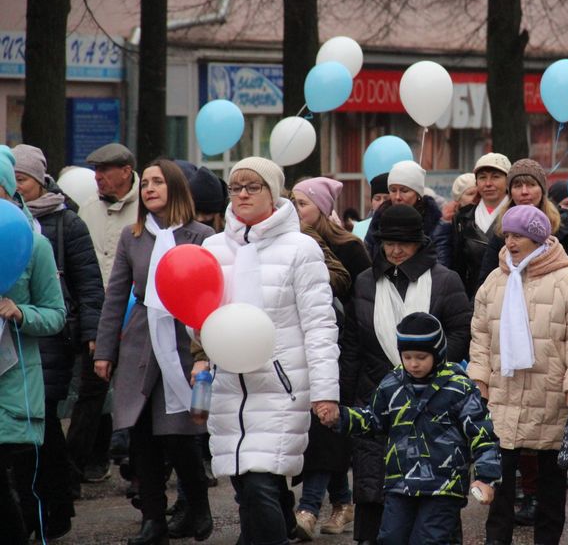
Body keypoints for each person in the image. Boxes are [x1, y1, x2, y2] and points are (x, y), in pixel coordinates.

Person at [197, 157, 340, 545]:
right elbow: (202, 318)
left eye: (253, 186)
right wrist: (200, 358)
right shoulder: (212, 248)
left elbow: (319, 324)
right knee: (247, 487)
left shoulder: (301, 249)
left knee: (259, 485)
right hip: (229, 387)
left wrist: (326, 392)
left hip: (280, 387)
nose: (242, 194)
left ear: (273, 193)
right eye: (235, 187)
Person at [92, 159, 214, 545]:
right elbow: (116, 296)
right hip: (141, 343)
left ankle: (198, 505)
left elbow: (212, 294)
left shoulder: (202, 235)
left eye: (158, 182)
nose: (149, 189)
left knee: (179, 436)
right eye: (145, 183)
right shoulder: (133, 236)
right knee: (142, 436)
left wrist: (206, 352)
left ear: (175, 187)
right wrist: (105, 350)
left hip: (184, 342)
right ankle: (153, 520)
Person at [339, 204, 472, 544]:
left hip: (433, 403)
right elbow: (352, 344)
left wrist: (428, 369)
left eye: (404, 243)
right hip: (375, 396)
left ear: (419, 242)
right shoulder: (365, 282)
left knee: (433, 495)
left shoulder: (445, 280)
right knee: (374, 488)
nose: (395, 250)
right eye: (389, 243)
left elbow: (461, 332)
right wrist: (344, 397)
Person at [469, 205, 568, 545]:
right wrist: (478, 383)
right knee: (498, 483)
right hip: (503, 395)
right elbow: (480, 335)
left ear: (538, 238)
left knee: (551, 488)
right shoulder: (495, 281)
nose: (510, 242)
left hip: (550, 395)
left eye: (519, 236)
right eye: (507, 235)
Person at [326, 312, 501, 544]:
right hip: (400, 483)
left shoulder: (459, 387)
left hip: (443, 486)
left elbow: (482, 433)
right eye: (407, 357)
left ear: (438, 353)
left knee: (429, 539)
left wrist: (486, 477)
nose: (413, 364)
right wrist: (342, 417)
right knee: (391, 538)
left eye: (421, 357)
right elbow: (374, 419)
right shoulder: (392, 384)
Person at [11, 144, 105, 539]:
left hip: (50, 340)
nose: (18, 186)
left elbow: (88, 284)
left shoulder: (66, 224)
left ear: (39, 180)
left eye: (22, 179)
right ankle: (34, 506)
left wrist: (93, 335)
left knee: (44, 424)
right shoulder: (9, 223)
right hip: (11, 341)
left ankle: (56, 504)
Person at [291, 176, 371, 539]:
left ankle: (308, 508)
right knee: (322, 427)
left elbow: (362, 298)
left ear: (322, 209)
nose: (295, 210)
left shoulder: (349, 247)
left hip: (342, 346)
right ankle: (342, 501)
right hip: (303, 344)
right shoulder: (293, 241)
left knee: (326, 426)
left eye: (302, 203)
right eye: (292, 202)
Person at [0, 146, 67, 545]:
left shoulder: (34, 245)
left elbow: (56, 315)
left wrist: (20, 312)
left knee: (18, 496)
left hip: (15, 388)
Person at [69, 142, 140, 488]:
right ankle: (72, 471)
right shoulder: (88, 208)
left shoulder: (147, 206)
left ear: (126, 172)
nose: (97, 177)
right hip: (98, 314)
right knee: (91, 391)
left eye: (104, 171)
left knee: (137, 391)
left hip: (138, 314)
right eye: (95, 171)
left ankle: (140, 467)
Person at [477, 159, 568, 329]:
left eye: (531, 185)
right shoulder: (501, 230)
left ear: (542, 189)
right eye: (517, 186)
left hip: (557, 322)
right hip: (512, 320)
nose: (524, 192)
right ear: (510, 191)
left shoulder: (563, 226)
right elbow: (485, 282)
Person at [451, 153, 511, 299]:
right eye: (482, 177)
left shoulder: (519, 215)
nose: (488, 183)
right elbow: (458, 266)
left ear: (508, 181)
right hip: (474, 296)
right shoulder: (463, 218)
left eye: (495, 177)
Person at [364, 161, 442, 260]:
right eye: (393, 190)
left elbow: (441, 259)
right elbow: (368, 255)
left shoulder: (434, 221)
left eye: (404, 191)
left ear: (418, 194)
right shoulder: (379, 219)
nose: (397, 197)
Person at [433, 172, 477, 268]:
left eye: (479, 194)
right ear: (458, 200)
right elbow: (442, 254)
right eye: (470, 194)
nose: (476, 197)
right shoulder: (449, 222)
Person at [352, 173, 390, 240]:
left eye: (386, 199)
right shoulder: (359, 227)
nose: (381, 203)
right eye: (377, 199)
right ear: (371, 202)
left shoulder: (400, 226)